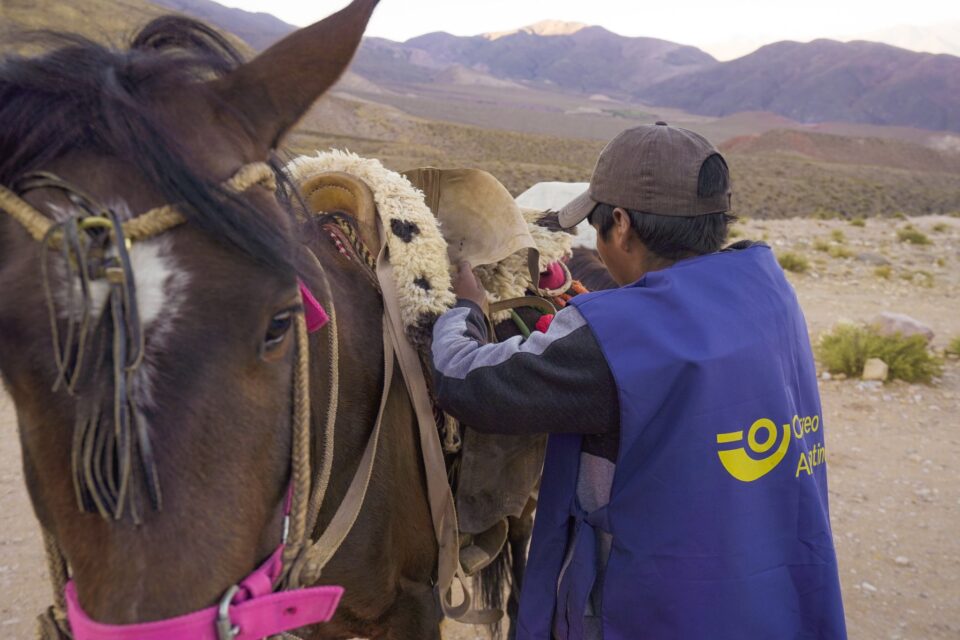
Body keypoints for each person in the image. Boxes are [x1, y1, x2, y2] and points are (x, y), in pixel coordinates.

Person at [430, 123, 847, 639]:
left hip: (657, 613)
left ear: (621, 225)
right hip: (768, 602)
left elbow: (462, 378)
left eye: (598, 226)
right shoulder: (768, 291)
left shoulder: (616, 334)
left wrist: (465, 310)